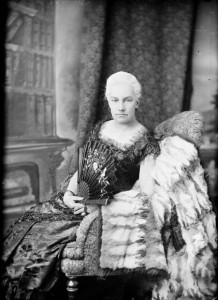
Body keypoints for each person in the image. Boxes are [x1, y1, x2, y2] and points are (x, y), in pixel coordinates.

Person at [2, 71, 217, 300]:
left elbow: (145, 192)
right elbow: (85, 168)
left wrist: (103, 207)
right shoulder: (101, 128)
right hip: (80, 198)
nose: (121, 106)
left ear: (137, 101)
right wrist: (68, 195)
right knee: (33, 223)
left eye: (127, 100)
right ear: (108, 100)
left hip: (106, 207)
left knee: (50, 240)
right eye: (115, 100)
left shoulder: (144, 141)